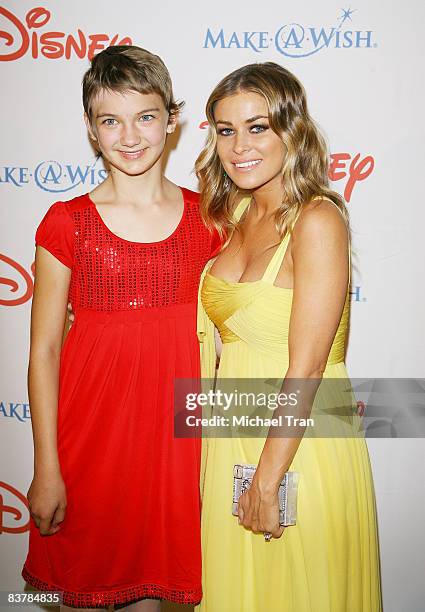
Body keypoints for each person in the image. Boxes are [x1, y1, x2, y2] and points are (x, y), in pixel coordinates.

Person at [22, 45, 219, 610]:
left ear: (171, 120)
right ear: (91, 128)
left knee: (152, 599)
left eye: (146, 117)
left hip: (175, 453)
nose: (129, 136)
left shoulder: (210, 220)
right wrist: (46, 469)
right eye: (111, 120)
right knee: (80, 592)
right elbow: (43, 353)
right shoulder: (68, 223)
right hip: (89, 451)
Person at [195, 62, 382, 611]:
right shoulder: (237, 213)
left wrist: (268, 478)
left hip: (297, 447)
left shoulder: (318, 219)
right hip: (232, 435)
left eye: (258, 127)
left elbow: (308, 367)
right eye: (225, 130)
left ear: (291, 130)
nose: (239, 146)